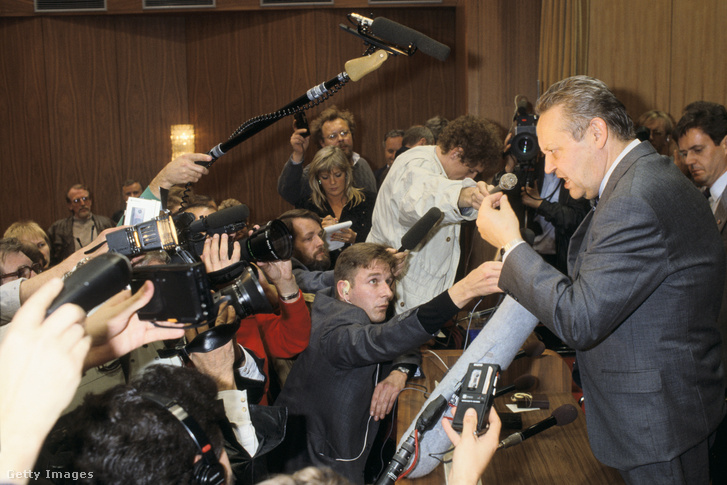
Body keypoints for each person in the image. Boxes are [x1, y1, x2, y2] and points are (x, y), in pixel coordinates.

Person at [476, 75, 726, 484]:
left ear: (596, 132)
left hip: (659, 425)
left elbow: (581, 318)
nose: (550, 166)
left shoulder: (634, 197)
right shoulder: (642, 177)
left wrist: (511, 244)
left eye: (554, 152)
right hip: (664, 411)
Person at [273, 243, 503, 483]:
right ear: (344, 289)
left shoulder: (353, 309)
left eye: (389, 281)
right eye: (374, 281)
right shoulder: (334, 334)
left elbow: (399, 338)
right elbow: (387, 338)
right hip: (315, 466)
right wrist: (463, 290)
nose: (388, 292)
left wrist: (399, 372)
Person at [367, 114, 503, 314]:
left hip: (418, 291)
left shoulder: (437, 169)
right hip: (398, 292)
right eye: (471, 170)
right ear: (456, 153)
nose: (472, 177)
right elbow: (422, 199)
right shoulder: (417, 163)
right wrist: (465, 195)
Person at [673, 101, 727, 388]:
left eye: (698, 150)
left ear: (726, 144)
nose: (689, 160)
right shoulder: (702, 199)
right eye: (684, 153)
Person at [277, 106, 377, 206]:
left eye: (344, 133)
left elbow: (374, 204)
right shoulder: (315, 171)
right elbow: (288, 193)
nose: (340, 139)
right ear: (322, 143)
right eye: (332, 136)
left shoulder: (362, 164)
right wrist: (298, 154)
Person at [301, 146, 375, 256]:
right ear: (318, 180)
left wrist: (356, 238)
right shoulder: (307, 207)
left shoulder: (369, 200)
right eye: (325, 177)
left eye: (338, 175)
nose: (332, 182)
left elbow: (382, 242)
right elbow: (301, 251)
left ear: (347, 174)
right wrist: (320, 234)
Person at [47, 184, 115, 266]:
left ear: (90, 202)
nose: (82, 203)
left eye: (85, 199)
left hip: (102, 268)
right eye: (76, 201)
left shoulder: (106, 223)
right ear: (70, 206)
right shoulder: (58, 229)